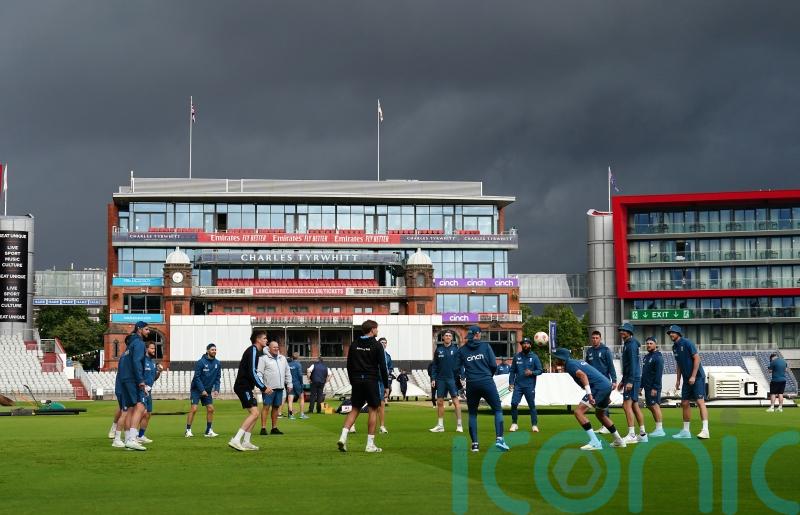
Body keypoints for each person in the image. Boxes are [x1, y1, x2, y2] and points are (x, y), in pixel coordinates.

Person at [552, 347, 626, 450]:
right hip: (605, 386)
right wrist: (606, 394)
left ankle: (595, 442)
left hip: (598, 388)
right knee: (600, 414)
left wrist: (590, 394)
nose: (555, 360)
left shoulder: (570, 365)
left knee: (578, 412)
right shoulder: (574, 362)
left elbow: (583, 376)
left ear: (561, 359)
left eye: (556, 358)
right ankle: (619, 440)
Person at [337, 319, 389, 453]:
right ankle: (370, 445)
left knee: (354, 409)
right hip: (371, 380)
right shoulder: (377, 346)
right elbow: (383, 367)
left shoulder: (354, 344)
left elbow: (349, 365)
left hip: (357, 381)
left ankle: (343, 437)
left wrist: (352, 380)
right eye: (376, 328)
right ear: (372, 330)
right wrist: (387, 385)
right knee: (373, 410)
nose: (377, 331)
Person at [455, 326, 509, 453]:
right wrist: (487, 376)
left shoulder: (462, 350)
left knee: (473, 414)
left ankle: (475, 445)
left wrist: (460, 384)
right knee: (497, 410)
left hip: (472, 384)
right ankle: (499, 439)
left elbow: (456, 369)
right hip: (486, 381)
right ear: (478, 334)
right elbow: (493, 365)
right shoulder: (485, 346)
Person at [228, 330, 269, 451]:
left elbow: (252, 372)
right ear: (258, 339)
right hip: (243, 386)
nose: (266, 340)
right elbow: (252, 372)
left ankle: (246, 442)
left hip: (246, 386)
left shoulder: (255, 352)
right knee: (255, 413)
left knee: (255, 413)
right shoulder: (253, 351)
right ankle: (236, 440)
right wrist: (263, 387)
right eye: (265, 338)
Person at [668, 325, 709, 439]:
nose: (671, 334)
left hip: (697, 377)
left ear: (678, 333)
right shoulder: (674, 347)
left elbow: (697, 358)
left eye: (673, 332)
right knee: (684, 403)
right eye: (670, 333)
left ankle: (705, 430)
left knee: (700, 402)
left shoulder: (687, 343)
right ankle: (686, 431)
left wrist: (693, 376)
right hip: (686, 379)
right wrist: (677, 380)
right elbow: (679, 364)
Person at [116, 321, 150, 451]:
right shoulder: (139, 343)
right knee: (140, 407)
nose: (149, 331)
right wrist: (140, 380)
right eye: (147, 329)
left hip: (125, 379)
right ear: (140, 329)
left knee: (130, 409)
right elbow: (137, 362)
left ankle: (128, 439)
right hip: (132, 379)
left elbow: (123, 363)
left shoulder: (129, 346)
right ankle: (131, 439)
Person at [618, 322, 647, 444]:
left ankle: (631, 435)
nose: (621, 332)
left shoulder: (631, 345)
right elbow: (628, 365)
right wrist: (623, 381)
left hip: (633, 379)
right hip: (632, 378)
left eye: (624, 330)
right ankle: (642, 434)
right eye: (621, 330)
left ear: (629, 332)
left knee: (626, 405)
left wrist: (629, 381)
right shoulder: (629, 344)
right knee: (634, 405)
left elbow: (633, 364)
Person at [429, 330, 463, 433]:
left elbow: (460, 364)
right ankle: (440, 426)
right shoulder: (438, 350)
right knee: (439, 401)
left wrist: (462, 377)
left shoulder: (456, 350)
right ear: (443, 338)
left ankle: (459, 425)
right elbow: (434, 366)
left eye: (449, 336)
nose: (447, 337)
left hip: (452, 379)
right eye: (446, 336)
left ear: (452, 338)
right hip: (440, 379)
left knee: (455, 401)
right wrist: (433, 378)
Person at [584, 330, 617, 433]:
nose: (594, 340)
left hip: (604, 381)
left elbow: (611, 366)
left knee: (603, 402)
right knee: (600, 403)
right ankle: (605, 425)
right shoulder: (589, 351)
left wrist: (614, 380)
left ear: (600, 339)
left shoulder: (605, 350)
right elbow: (586, 367)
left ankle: (606, 426)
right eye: (593, 338)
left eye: (596, 338)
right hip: (593, 382)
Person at [257, 341, 293, 435]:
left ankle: (274, 428)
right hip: (269, 389)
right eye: (274, 347)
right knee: (266, 407)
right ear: (269, 348)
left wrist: (289, 384)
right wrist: (263, 386)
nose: (276, 349)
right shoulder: (263, 359)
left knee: (276, 407)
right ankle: (263, 428)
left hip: (280, 388)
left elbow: (287, 372)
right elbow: (259, 373)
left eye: (277, 347)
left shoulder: (283, 358)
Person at [185, 343, 221, 438]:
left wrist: (216, 389)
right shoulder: (200, 362)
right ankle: (188, 430)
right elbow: (196, 377)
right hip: (197, 389)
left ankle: (208, 430)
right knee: (194, 409)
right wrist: (202, 390)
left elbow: (218, 378)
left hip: (207, 391)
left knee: (211, 409)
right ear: (208, 350)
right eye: (212, 349)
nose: (214, 351)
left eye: (215, 350)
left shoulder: (218, 363)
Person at [508, 337, 543, 433]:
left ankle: (534, 425)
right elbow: (512, 371)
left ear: (530, 345)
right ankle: (514, 423)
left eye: (527, 343)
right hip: (518, 385)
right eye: (523, 343)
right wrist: (511, 383)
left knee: (531, 405)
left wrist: (532, 372)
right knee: (514, 403)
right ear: (521, 345)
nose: (525, 345)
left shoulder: (534, 357)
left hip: (529, 385)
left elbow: (540, 370)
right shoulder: (517, 357)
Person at [138, 341, 162, 444]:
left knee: (148, 414)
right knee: (141, 413)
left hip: (149, 391)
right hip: (141, 390)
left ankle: (141, 435)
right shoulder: (141, 360)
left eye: (154, 349)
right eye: (152, 348)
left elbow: (154, 378)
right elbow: (138, 374)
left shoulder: (153, 362)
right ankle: (131, 434)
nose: (154, 350)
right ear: (146, 349)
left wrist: (159, 372)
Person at [640, 336, 665, 437]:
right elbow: (644, 373)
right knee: (650, 406)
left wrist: (655, 387)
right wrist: (641, 386)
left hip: (653, 387)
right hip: (646, 386)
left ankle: (660, 429)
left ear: (655, 345)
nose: (648, 345)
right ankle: (658, 427)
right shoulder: (646, 357)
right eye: (647, 343)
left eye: (651, 343)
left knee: (655, 406)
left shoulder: (658, 357)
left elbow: (659, 374)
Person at [286, 352, 308, 419]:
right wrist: (301, 383)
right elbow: (300, 375)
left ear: (292, 357)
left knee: (290, 400)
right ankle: (302, 414)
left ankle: (290, 415)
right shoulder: (298, 364)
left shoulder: (288, 364)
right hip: (297, 383)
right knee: (301, 398)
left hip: (289, 383)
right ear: (298, 357)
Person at [377, 337, 392, 433]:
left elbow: (390, 368)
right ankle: (352, 425)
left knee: (381, 403)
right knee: (361, 402)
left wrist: (387, 383)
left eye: (385, 342)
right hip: (371, 380)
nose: (383, 344)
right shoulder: (373, 353)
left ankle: (382, 426)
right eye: (381, 342)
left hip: (382, 382)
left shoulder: (388, 356)